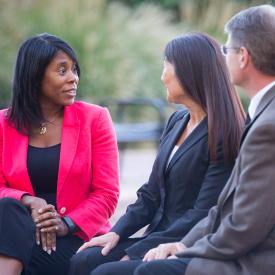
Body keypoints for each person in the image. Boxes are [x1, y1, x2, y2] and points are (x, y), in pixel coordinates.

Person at [68, 32, 245, 275]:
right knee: (82, 260)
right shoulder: (178, 120)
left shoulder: (224, 132)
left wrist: (136, 252)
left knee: (105, 272)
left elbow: (203, 213)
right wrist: (115, 233)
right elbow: (151, 193)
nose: (163, 77)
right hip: (156, 235)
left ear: (188, 72)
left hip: (186, 245)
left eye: (166, 66)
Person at [122, 4, 275, 275]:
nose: (222, 58)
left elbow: (244, 225)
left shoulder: (267, 126)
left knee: (147, 272)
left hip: (257, 259)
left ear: (243, 57)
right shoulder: (262, 113)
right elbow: (222, 210)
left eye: (226, 50)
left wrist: (183, 249)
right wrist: (182, 244)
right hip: (230, 244)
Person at [0, 33, 119, 275]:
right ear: (35, 76)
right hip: (17, 232)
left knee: (23, 258)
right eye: (62, 71)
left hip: (76, 235)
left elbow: (107, 193)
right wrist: (28, 201)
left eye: (74, 70)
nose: (74, 78)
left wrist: (66, 224)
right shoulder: (3, 125)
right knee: (8, 209)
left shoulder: (94, 119)